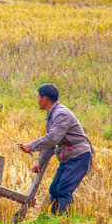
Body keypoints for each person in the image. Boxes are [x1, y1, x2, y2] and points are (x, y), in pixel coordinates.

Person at [20, 84, 92, 215]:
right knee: (54, 190)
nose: (38, 101)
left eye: (39, 98)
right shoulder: (52, 115)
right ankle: (53, 219)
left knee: (63, 190)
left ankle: (64, 223)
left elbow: (53, 138)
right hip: (69, 157)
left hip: (79, 156)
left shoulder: (61, 114)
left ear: (45, 99)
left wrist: (31, 146)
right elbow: (51, 143)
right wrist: (40, 163)